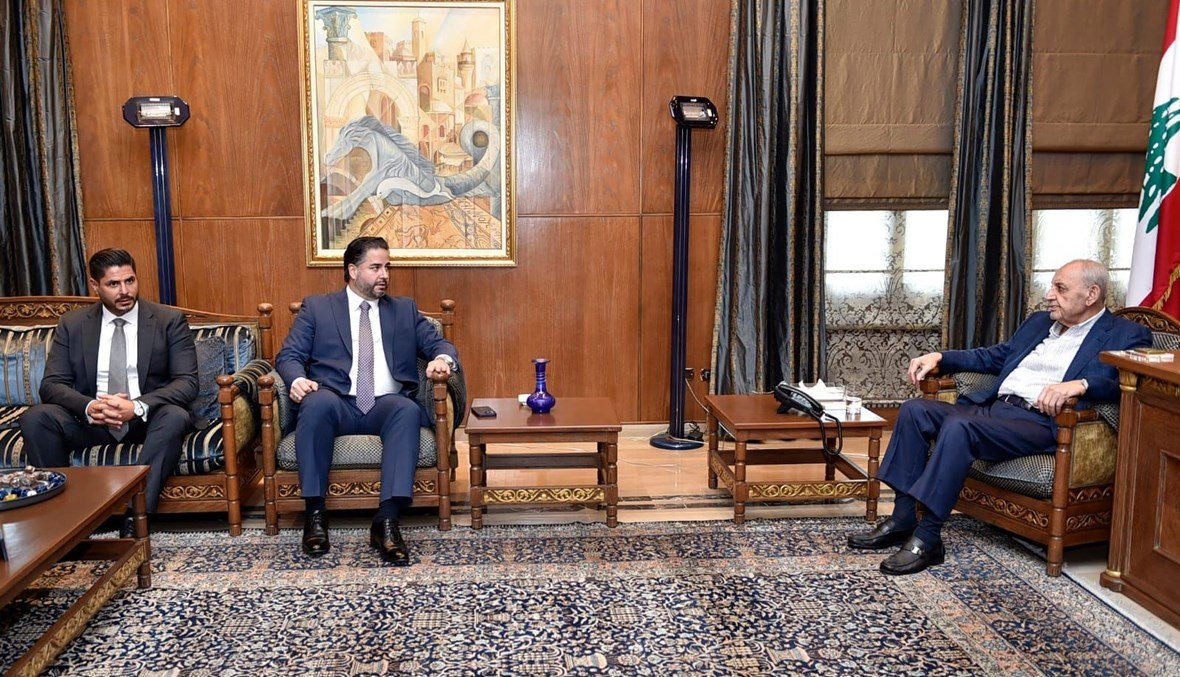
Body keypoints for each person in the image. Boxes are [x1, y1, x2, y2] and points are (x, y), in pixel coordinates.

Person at [847, 259, 1151, 575]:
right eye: (1052, 286)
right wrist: (941, 357)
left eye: (1060, 288)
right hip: (995, 409)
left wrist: (1082, 384)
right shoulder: (1039, 322)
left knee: (960, 426)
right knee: (914, 410)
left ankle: (928, 537)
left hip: (1039, 422)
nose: (1049, 295)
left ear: (1091, 295)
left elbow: (1132, 383)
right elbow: (995, 356)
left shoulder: (1126, 334)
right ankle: (903, 518)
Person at [276, 236, 459, 565]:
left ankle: (387, 521)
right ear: (352, 270)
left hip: (385, 403)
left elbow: (439, 344)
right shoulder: (318, 308)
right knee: (315, 404)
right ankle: (315, 515)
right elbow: (289, 355)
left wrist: (442, 360)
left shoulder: (403, 310)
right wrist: (297, 379)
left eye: (387, 267)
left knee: (406, 410)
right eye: (375, 267)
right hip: (335, 400)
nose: (384, 274)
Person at [20, 249, 198, 536]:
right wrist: (91, 407)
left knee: (175, 416)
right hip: (93, 422)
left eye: (130, 281)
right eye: (114, 284)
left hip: (146, 421)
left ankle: (136, 516)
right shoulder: (73, 324)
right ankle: (65, 520)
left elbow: (187, 382)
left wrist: (136, 406)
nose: (125, 291)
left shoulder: (168, 321)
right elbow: (51, 384)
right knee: (36, 418)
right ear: (95, 285)